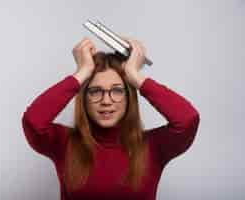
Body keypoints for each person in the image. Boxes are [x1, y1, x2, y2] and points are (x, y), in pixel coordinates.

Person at [21, 36, 200, 200]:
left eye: (117, 90)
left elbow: (187, 119)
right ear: (84, 98)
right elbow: (33, 121)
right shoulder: (64, 143)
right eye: (95, 91)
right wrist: (81, 74)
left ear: (129, 97)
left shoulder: (153, 146)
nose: (106, 101)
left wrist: (135, 76)